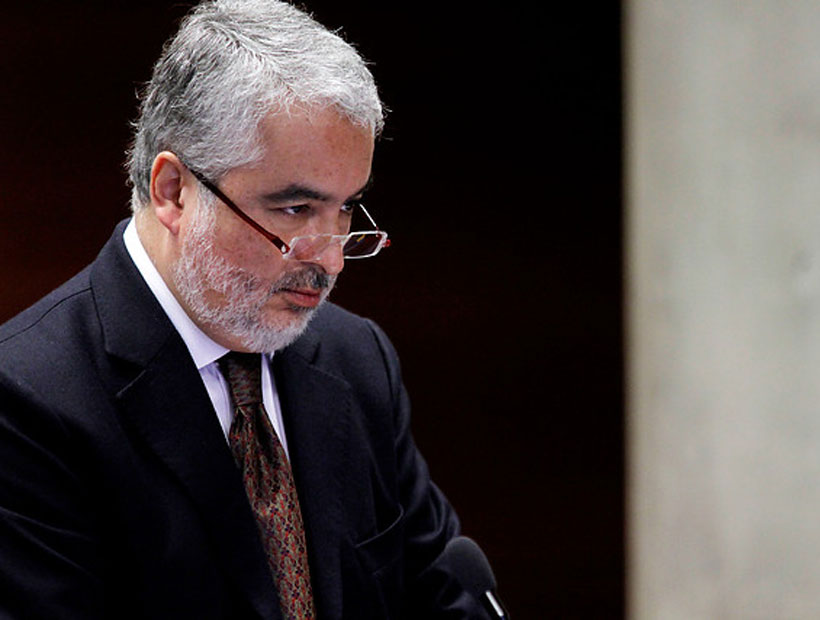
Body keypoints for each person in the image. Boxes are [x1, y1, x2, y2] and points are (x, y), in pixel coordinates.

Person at [0, 1, 494, 618]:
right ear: (173, 191)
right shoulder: (27, 400)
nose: (331, 261)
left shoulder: (357, 359)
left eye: (346, 208)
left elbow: (438, 589)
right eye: (295, 210)